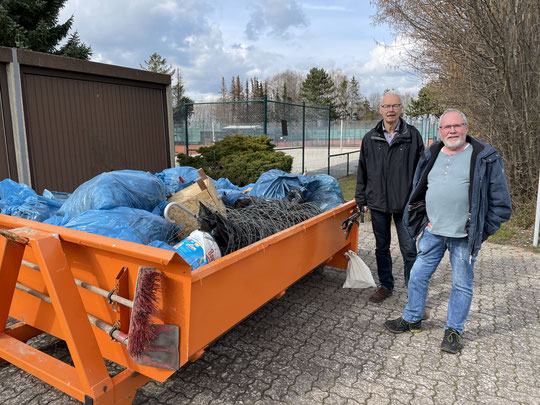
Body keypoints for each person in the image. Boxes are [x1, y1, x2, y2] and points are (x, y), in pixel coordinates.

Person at [384, 109, 512, 353]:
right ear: (439, 131)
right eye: (447, 127)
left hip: (463, 237)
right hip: (433, 232)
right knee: (418, 275)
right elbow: (419, 187)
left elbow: (501, 205)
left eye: (457, 126)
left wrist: (480, 231)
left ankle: (454, 330)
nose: (452, 131)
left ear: (466, 127)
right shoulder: (431, 153)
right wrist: (424, 218)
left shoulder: (485, 157)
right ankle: (412, 318)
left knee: (462, 284)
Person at [355, 92, 424, 303]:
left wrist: (420, 200)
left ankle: (414, 292)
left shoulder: (413, 136)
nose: (391, 110)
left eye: (395, 105)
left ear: (401, 108)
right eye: (386, 106)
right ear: (380, 109)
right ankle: (386, 285)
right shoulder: (370, 138)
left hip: (405, 205)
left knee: (409, 250)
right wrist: (361, 199)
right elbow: (362, 171)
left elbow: (422, 172)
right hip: (377, 204)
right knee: (381, 249)